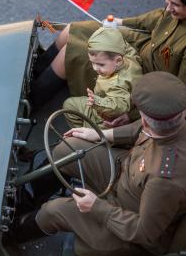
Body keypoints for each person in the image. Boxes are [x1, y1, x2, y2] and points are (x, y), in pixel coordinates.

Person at [14, 72, 186, 255]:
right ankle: (23, 201)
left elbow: (144, 232)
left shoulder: (165, 179)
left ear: (145, 119)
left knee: (53, 211)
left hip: (125, 221)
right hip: (125, 173)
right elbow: (140, 128)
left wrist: (96, 207)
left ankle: (9, 236)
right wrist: (100, 134)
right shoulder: (174, 119)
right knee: (67, 149)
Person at [31, 0, 186, 128]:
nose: (168, 7)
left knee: (70, 53)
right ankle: (32, 79)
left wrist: (132, 113)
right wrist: (121, 22)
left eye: (176, 4)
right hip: (136, 46)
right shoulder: (172, 10)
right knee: (73, 30)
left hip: (138, 78)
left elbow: (177, 97)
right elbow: (156, 17)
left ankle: (29, 105)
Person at [63, 27, 142, 129]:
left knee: (89, 129)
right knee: (69, 104)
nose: (95, 68)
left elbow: (119, 106)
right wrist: (107, 36)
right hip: (100, 106)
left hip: (107, 118)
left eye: (101, 65)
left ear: (118, 61)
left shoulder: (118, 84)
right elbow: (125, 46)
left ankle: (84, 138)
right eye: (93, 62)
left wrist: (97, 101)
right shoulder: (129, 58)